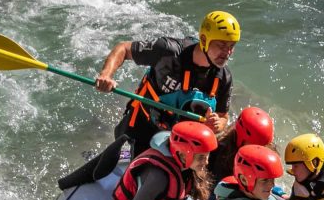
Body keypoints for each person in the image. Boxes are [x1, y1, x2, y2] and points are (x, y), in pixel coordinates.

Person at [58, 10, 239, 189]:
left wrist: (217, 124)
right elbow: (123, 48)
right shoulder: (169, 51)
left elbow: (223, 116)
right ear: (204, 40)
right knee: (138, 177)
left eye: (231, 46)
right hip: (142, 126)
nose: (227, 52)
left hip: (178, 141)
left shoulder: (223, 77)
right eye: (221, 45)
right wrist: (106, 75)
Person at [208, 107, 275, 184]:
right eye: (255, 146)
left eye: (262, 147)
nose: (259, 151)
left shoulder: (268, 153)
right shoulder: (219, 153)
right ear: (240, 139)